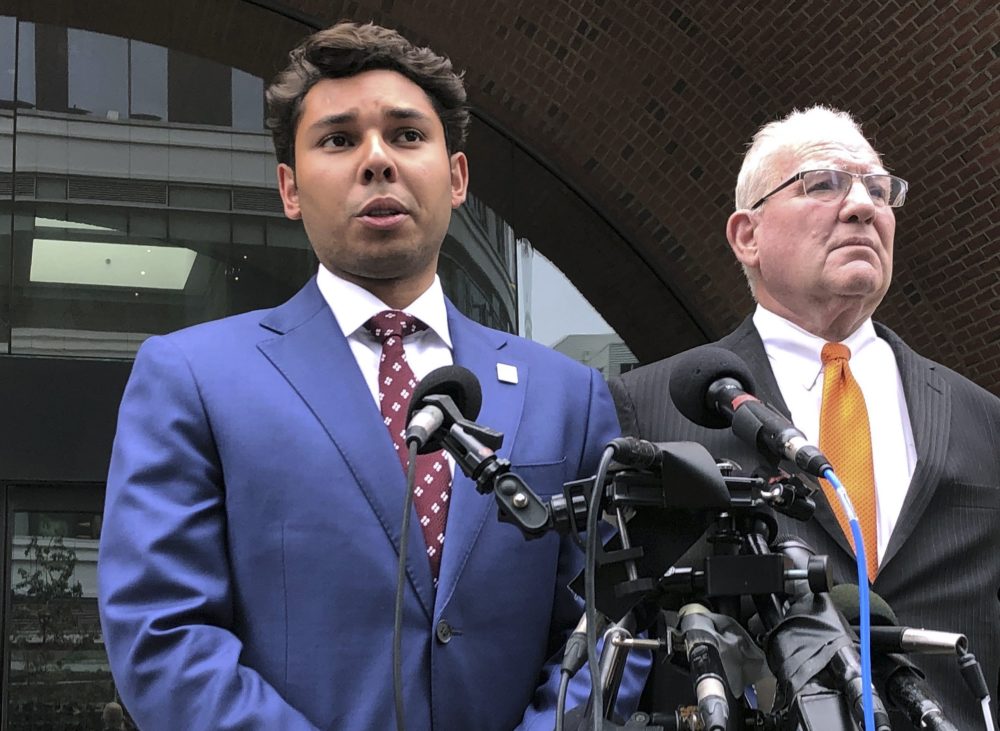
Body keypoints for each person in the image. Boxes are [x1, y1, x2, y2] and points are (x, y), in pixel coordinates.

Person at [98, 21, 644, 731]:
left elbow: (614, 621)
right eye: (338, 139)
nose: (377, 160)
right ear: (290, 189)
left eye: (407, 135)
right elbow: (162, 635)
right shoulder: (193, 377)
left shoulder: (566, 394)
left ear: (457, 178)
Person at [610, 105, 1000, 728]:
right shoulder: (651, 405)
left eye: (879, 189)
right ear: (747, 235)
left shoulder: (982, 417)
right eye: (823, 184)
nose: (862, 207)